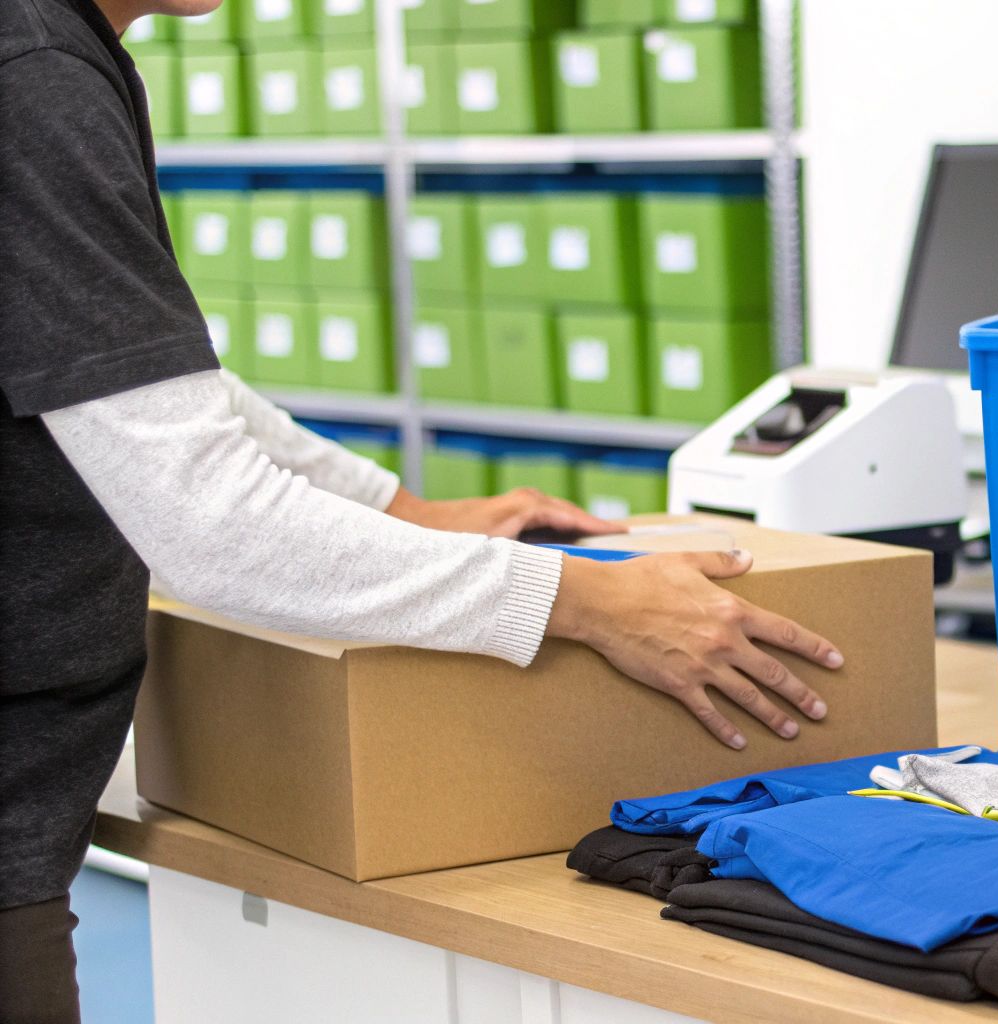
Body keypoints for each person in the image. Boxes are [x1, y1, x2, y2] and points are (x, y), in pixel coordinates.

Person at [0, 0, 844, 1019]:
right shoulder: (32, 69)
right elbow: (212, 527)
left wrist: (398, 506)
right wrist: (584, 604)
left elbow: (130, 380)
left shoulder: (55, 50)